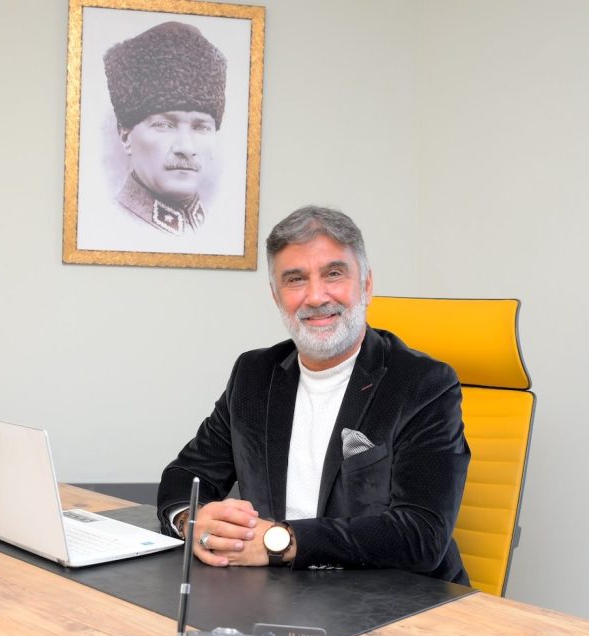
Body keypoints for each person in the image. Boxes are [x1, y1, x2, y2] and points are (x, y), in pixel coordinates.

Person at [156, 206, 471, 583]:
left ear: (366, 285)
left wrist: (279, 542)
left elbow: (422, 534)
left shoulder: (423, 383)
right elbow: (187, 473)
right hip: (280, 594)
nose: (316, 296)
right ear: (276, 296)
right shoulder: (254, 375)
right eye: (295, 279)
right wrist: (192, 520)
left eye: (334, 274)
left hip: (397, 599)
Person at [103, 21, 226, 236]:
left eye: (201, 127)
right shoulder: (107, 225)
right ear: (125, 136)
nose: (186, 147)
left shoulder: (221, 229)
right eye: (164, 125)